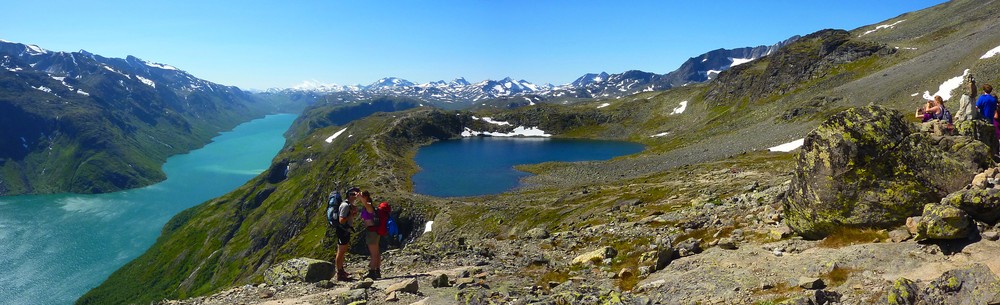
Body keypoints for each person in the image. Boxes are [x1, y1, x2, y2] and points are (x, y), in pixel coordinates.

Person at [335, 187, 360, 281]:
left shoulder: (348, 205)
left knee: (343, 250)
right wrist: (350, 214)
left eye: (356, 194)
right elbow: (341, 220)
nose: (355, 196)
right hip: (342, 230)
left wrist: (352, 214)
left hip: (345, 230)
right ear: (348, 195)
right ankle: (339, 273)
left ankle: (341, 270)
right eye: (353, 194)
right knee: (341, 251)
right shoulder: (345, 205)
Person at [358, 190, 382, 279]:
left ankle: (372, 272)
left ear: (366, 197)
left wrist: (361, 197)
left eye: (362, 196)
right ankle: (377, 270)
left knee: (373, 253)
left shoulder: (368, 206)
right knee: (376, 252)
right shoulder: (368, 206)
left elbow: (365, 203)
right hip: (373, 231)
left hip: (372, 232)